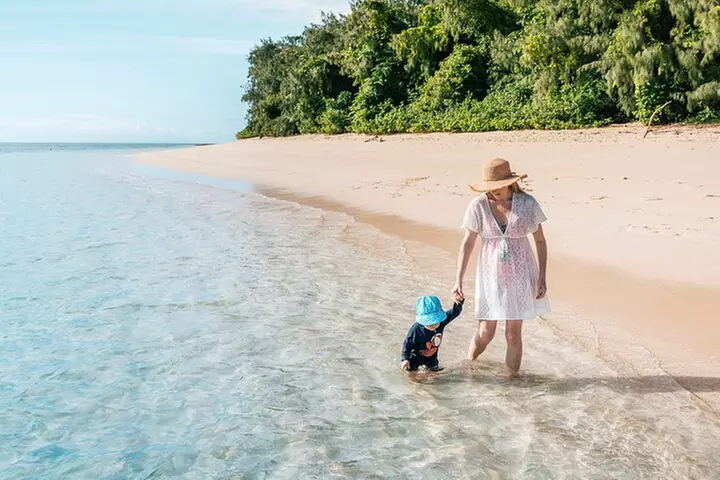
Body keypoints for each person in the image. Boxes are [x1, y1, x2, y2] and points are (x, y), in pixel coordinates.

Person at [452, 158, 550, 374]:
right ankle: (470, 365)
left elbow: (540, 241)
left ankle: (511, 382)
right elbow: (467, 243)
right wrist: (458, 280)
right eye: (490, 187)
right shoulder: (478, 205)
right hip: (491, 275)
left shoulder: (527, 204)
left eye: (497, 187)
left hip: (521, 274)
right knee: (486, 331)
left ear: (509, 182)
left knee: (513, 334)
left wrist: (542, 277)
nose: (493, 192)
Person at [401, 294, 464, 372]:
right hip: (414, 358)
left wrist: (459, 301)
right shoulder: (416, 329)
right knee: (413, 377)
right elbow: (407, 344)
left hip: (432, 358)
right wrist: (405, 359)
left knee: (433, 375)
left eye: (435, 321)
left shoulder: (442, 322)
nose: (434, 325)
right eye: (429, 323)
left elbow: (455, 312)